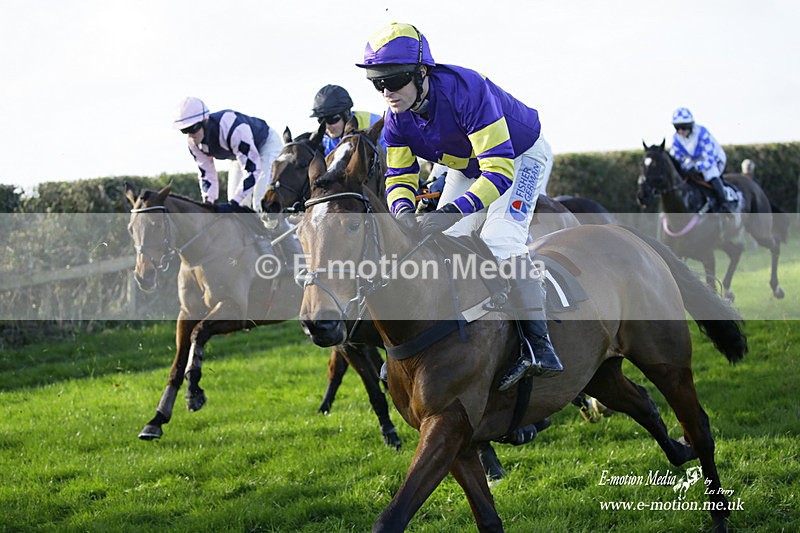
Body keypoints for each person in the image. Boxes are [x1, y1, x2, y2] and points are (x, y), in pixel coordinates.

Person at [356, 22, 562, 390]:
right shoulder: (395, 119)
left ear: (422, 72)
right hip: (468, 167)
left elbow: (498, 171)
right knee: (435, 241)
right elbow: (399, 177)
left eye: (395, 79)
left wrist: (450, 212)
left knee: (500, 238)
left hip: (519, 157)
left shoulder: (467, 91)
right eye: (377, 83)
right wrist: (404, 214)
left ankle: (539, 346)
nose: (387, 91)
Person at [173, 97, 283, 212]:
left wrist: (233, 203)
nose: (191, 135)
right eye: (185, 131)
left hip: (266, 145)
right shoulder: (193, 144)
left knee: (260, 200)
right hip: (240, 156)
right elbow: (207, 174)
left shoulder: (233, 128)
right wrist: (208, 204)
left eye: (193, 128)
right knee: (237, 206)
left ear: (205, 121)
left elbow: (252, 169)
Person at [669, 107, 731, 212]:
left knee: (710, 173)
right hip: (694, 160)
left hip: (714, 159)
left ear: (690, 125)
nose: (680, 131)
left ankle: (724, 204)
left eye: (683, 127)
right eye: (677, 127)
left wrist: (697, 167)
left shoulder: (702, 133)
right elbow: (675, 157)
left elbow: (710, 157)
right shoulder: (676, 138)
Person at [310, 84, 384, 156]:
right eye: (321, 121)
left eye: (331, 119)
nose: (327, 127)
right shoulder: (327, 140)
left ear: (346, 114)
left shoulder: (375, 124)